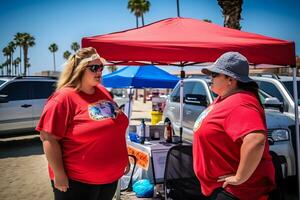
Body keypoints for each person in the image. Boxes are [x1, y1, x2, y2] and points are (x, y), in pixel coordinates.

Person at [36, 47, 130, 200]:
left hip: (109, 180)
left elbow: (115, 129)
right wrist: (59, 174)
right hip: (77, 183)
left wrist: (124, 157)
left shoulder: (102, 91)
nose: (99, 71)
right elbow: (48, 138)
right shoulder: (63, 98)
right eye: (94, 68)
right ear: (78, 69)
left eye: (101, 67)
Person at [193, 52, 275, 200]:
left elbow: (256, 140)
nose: (210, 77)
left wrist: (240, 177)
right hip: (222, 188)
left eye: (214, 74)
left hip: (237, 192)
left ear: (230, 79)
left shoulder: (240, 102)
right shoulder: (224, 98)